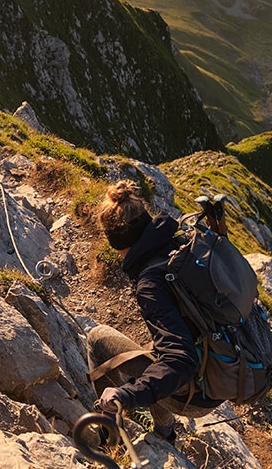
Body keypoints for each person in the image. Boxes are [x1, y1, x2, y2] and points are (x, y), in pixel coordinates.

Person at [87, 179, 221, 441]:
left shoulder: (150, 282)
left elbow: (180, 361)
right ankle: (163, 430)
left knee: (96, 338)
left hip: (195, 395)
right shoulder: (181, 247)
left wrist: (127, 394)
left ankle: (110, 433)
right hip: (223, 372)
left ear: (117, 244)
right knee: (156, 354)